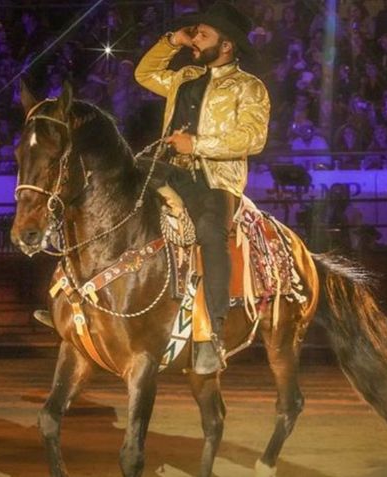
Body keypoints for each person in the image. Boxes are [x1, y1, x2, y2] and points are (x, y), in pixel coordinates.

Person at [134, 1, 270, 373]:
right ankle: (80, 294)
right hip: (167, 169)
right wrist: (171, 41)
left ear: (226, 45)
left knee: (212, 233)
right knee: (115, 190)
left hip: (214, 180)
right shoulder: (184, 76)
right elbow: (144, 74)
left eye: (203, 34)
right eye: (194, 33)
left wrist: (197, 145)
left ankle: (215, 334)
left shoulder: (249, 87)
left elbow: (252, 138)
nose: (195, 39)